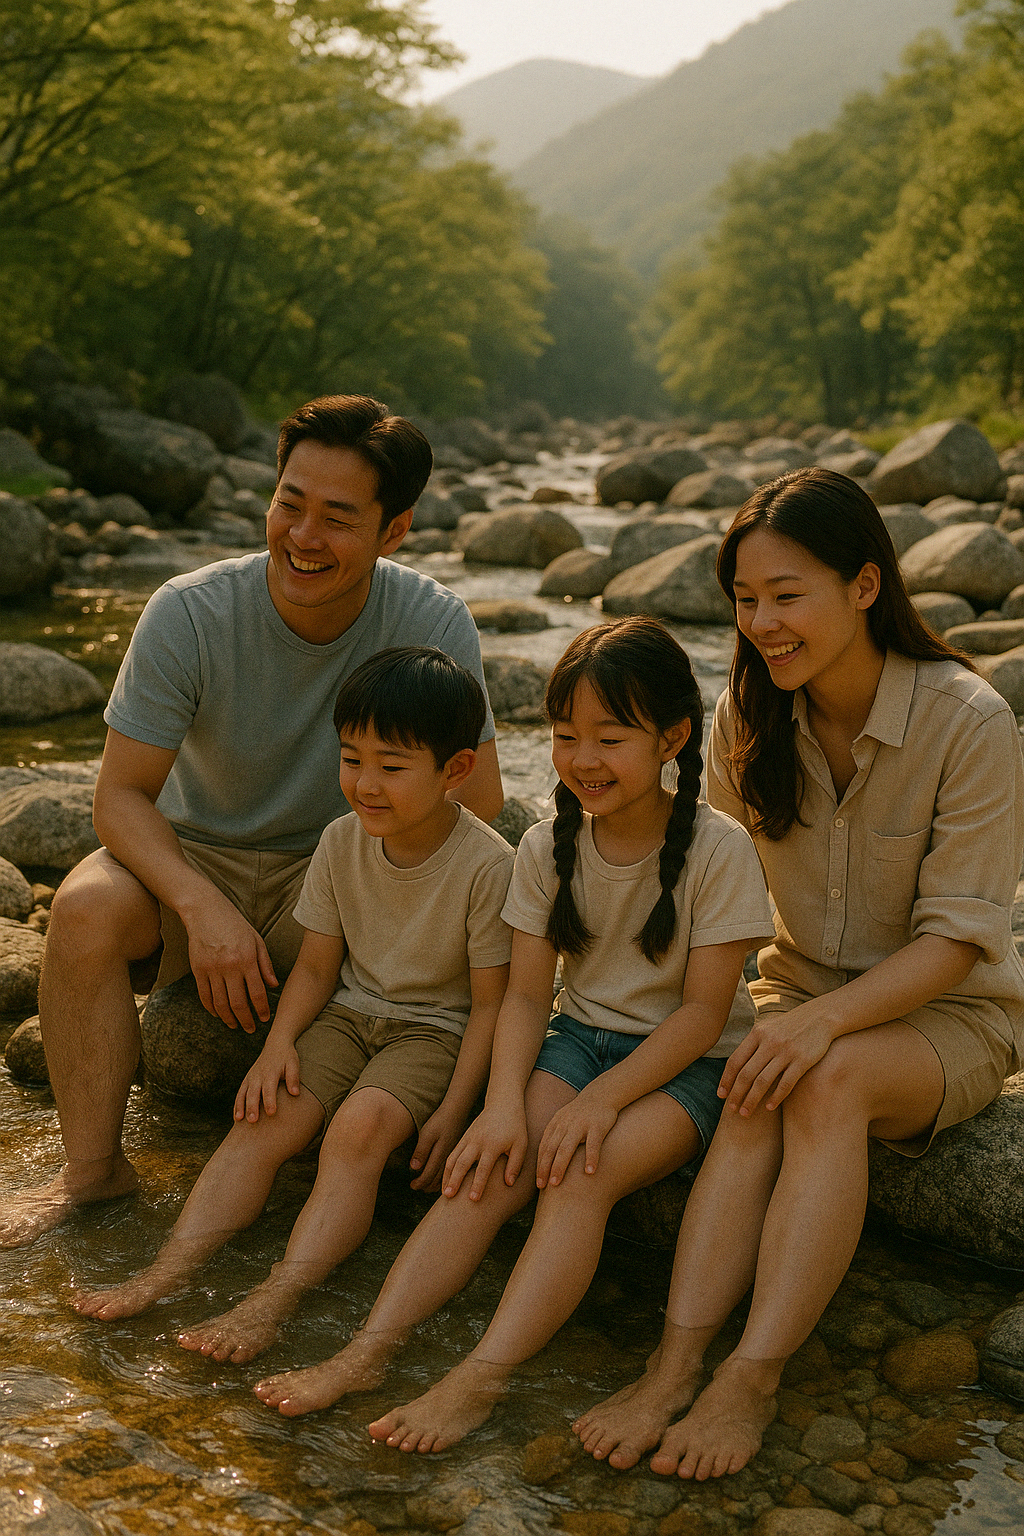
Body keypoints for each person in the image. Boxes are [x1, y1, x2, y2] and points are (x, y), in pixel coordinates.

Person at [572, 467, 1024, 1481]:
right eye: (743, 599)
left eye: (787, 595)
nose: (762, 623)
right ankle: (675, 1361)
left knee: (820, 1077)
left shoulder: (970, 720)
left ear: (865, 586)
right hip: (794, 991)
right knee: (750, 1085)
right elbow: (708, 895)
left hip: (947, 1016)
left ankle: (754, 1375)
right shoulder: (744, 721)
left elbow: (958, 941)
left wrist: (818, 1027)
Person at [253, 616, 775, 1449]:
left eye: (612, 738)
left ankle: (478, 1379)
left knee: (575, 1173)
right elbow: (528, 1000)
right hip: (576, 1043)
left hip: (684, 1065)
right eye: (567, 736)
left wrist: (599, 1103)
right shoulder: (544, 845)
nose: (584, 761)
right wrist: (500, 1109)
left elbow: (703, 1015)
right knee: (488, 1170)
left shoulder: (720, 849)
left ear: (673, 737)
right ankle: (367, 1352)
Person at [0, 394, 503, 1249]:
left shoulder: (429, 619)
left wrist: (364, 880)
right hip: (199, 858)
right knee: (82, 911)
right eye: (289, 502)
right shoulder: (191, 612)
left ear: (394, 531)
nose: (303, 536)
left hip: (348, 869)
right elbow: (119, 797)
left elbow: (479, 800)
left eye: (338, 518)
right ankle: (92, 1172)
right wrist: (201, 908)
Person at [72, 647, 514, 1362]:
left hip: (432, 1033)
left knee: (357, 1132)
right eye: (351, 759)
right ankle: (167, 1271)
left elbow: (493, 1006)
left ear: (456, 770)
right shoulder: (340, 842)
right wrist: (277, 1048)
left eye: (392, 767)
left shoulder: (489, 866)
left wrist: (456, 1108)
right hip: (347, 1014)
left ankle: (274, 1298)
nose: (366, 784)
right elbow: (315, 967)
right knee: (264, 1117)